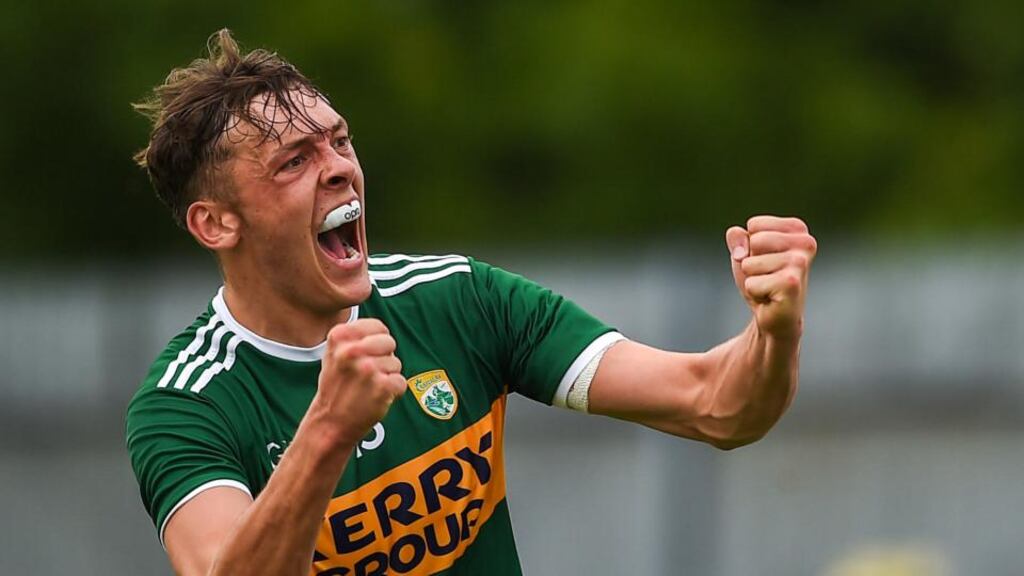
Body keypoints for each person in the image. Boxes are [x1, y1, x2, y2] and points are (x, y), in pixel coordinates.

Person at [125, 29, 816, 576]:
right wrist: (328, 430)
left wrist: (774, 329)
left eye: (339, 140)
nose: (339, 168)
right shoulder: (185, 404)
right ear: (217, 223)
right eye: (294, 161)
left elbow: (715, 404)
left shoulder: (457, 300)